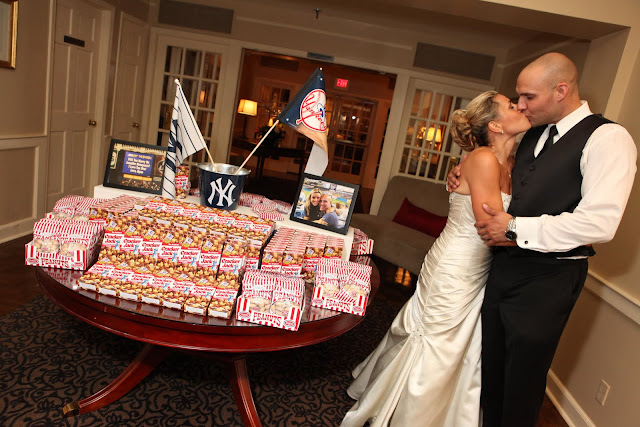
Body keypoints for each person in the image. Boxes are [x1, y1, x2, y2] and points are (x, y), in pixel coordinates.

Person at [448, 52, 637, 426]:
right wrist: (459, 174)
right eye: (518, 97)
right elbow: (495, 167)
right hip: (501, 270)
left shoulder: (608, 138)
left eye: (528, 97)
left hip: (549, 279)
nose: (520, 105)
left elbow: (600, 223)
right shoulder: (531, 133)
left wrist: (515, 228)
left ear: (561, 90)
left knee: (522, 383)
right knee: (490, 373)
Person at [341, 90, 531, 426]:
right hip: (455, 265)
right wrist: (550, 238)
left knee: (455, 344)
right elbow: (490, 227)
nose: (520, 107)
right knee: (437, 340)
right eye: (511, 105)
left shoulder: (514, 163)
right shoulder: (483, 159)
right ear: (496, 126)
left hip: (481, 267)